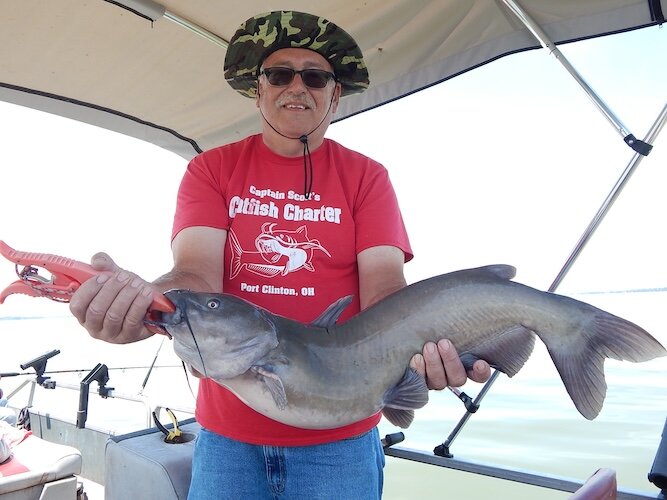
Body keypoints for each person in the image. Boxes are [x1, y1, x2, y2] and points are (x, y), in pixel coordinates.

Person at [70, 10, 491, 499]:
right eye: (279, 74)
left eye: (315, 77)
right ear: (259, 89)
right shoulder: (213, 170)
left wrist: (436, 345)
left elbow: (386, 296)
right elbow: (195, 276)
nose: (297, 87)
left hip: (342, 442)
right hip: (227, 440)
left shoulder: (366, 177)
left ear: (334, 94)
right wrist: (138, 303)